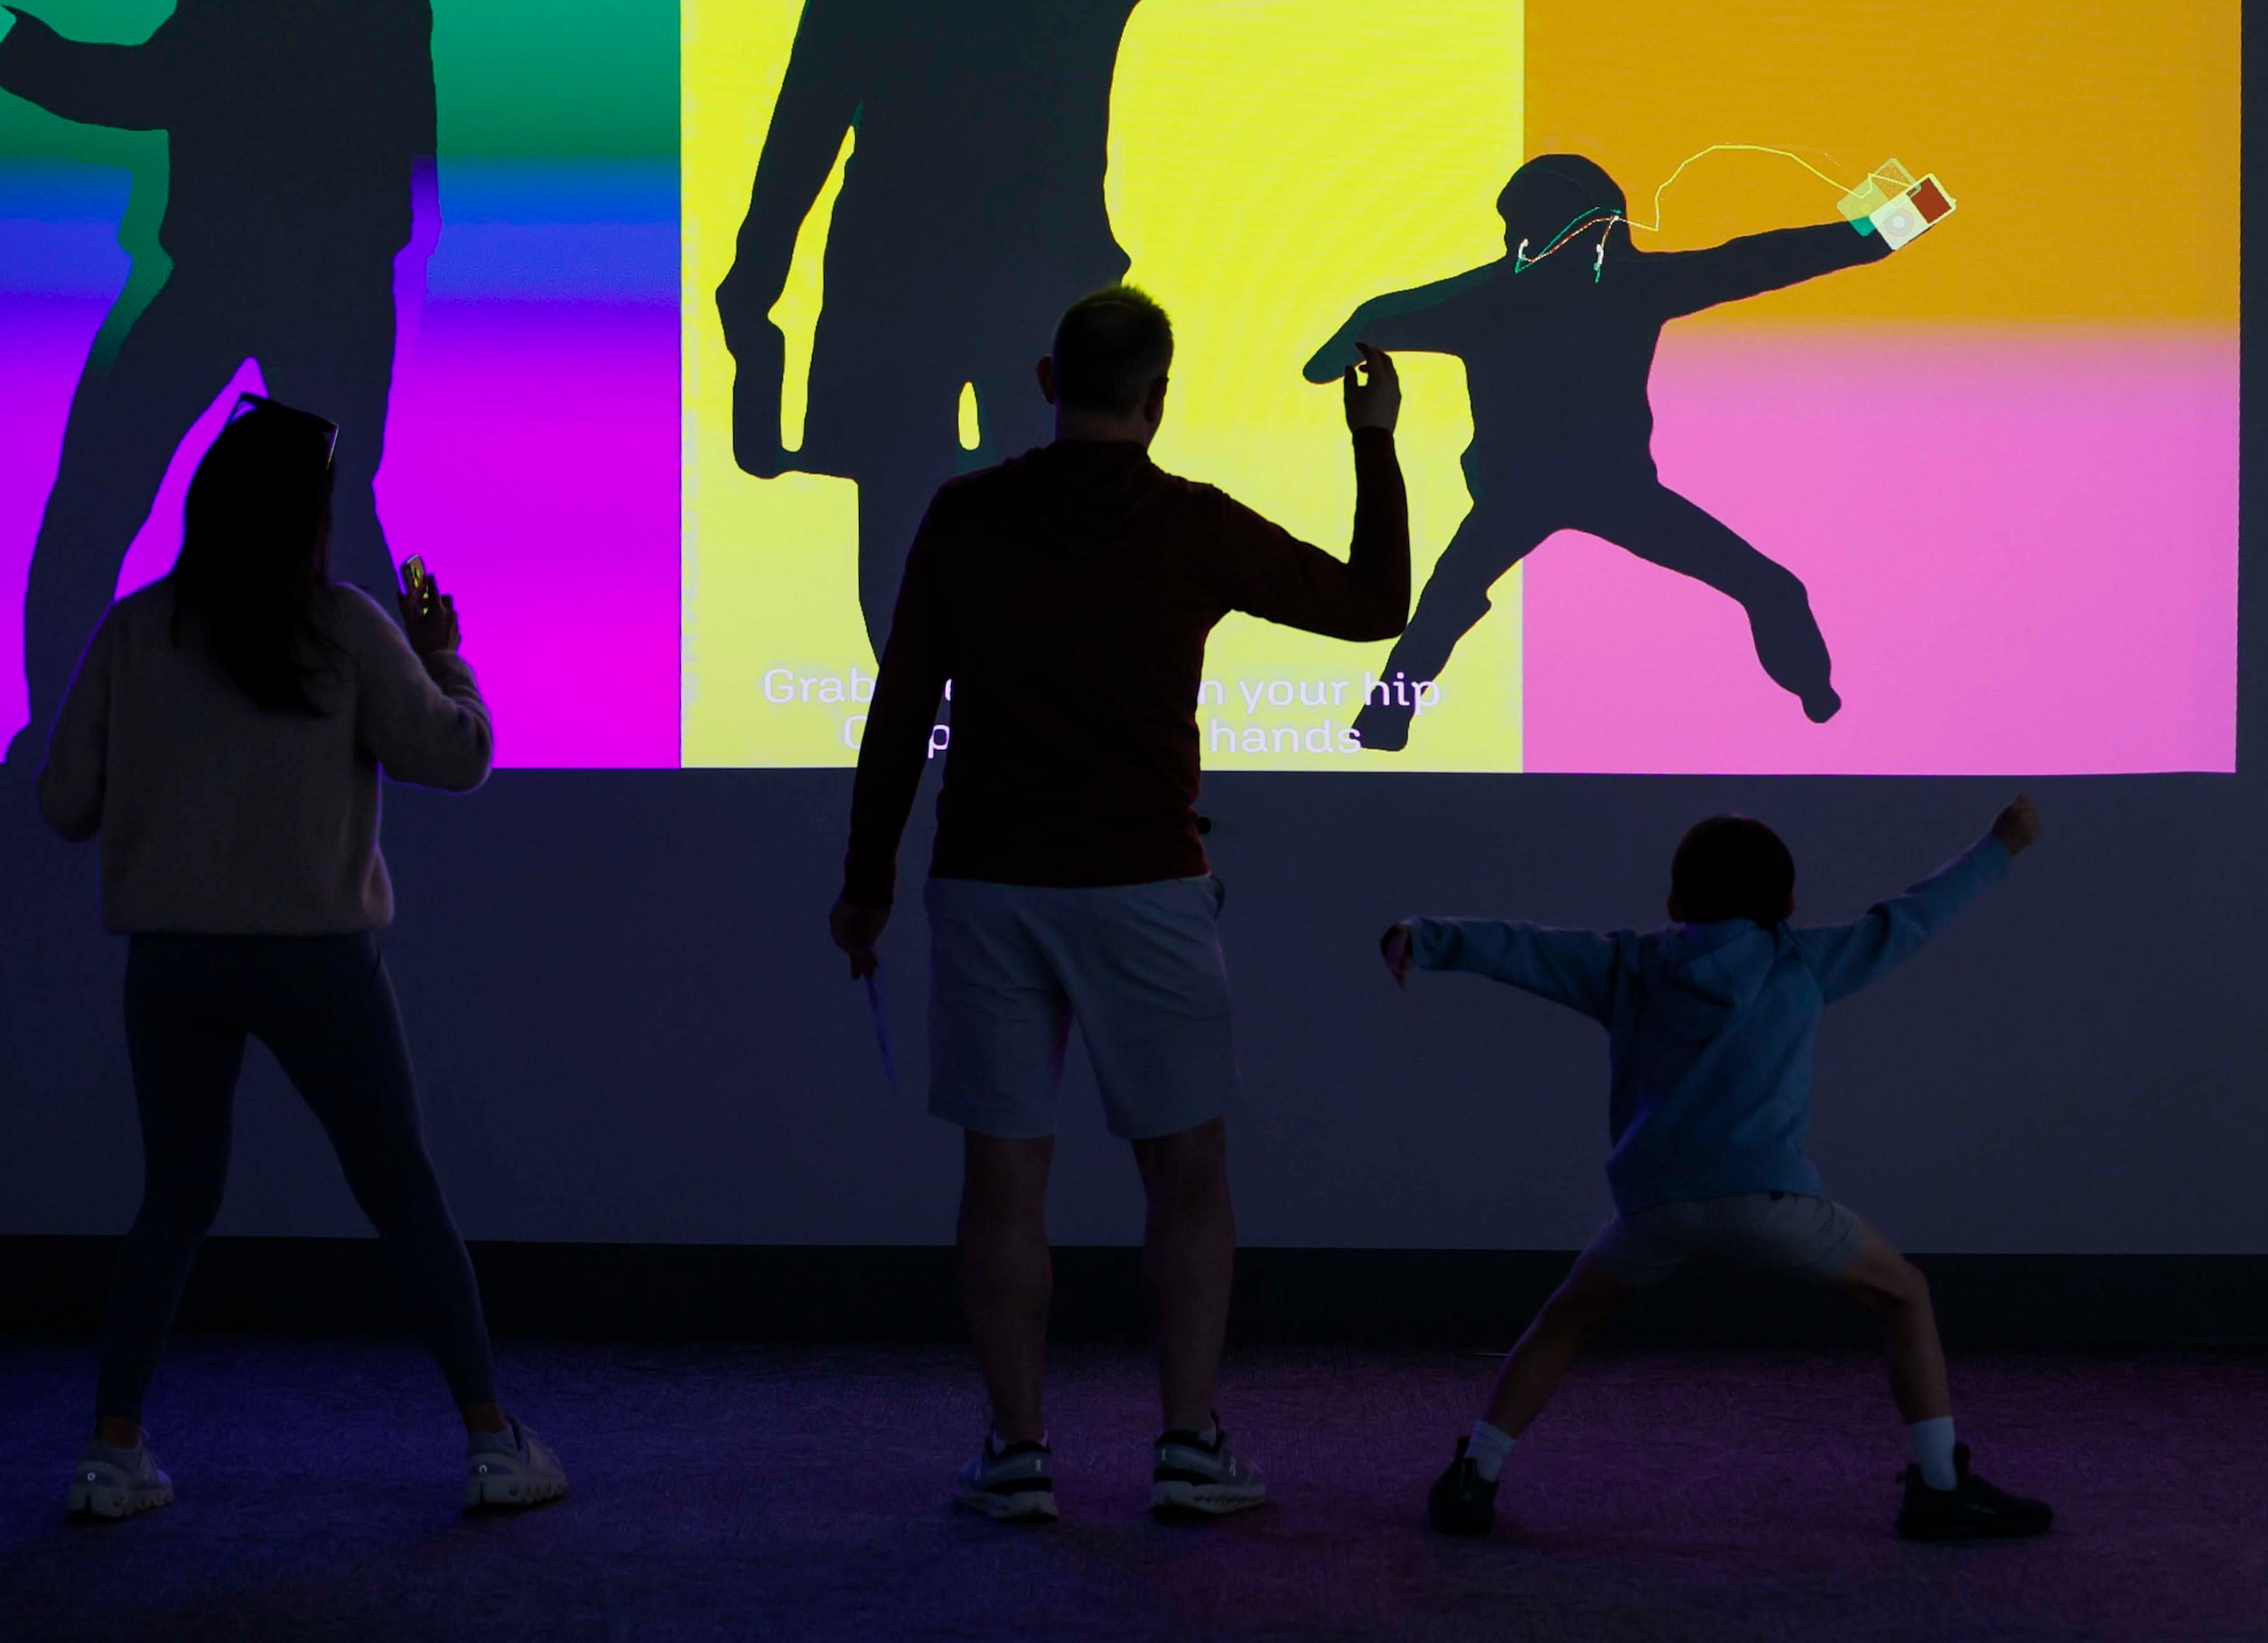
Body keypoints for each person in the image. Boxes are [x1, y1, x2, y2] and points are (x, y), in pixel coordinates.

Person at [832, 287, 1405, 1521]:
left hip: (986, 880)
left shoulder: (966, 515)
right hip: (1147, 881)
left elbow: (897, 714)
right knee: (1187, 1173)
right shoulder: (1188, 525)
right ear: (1160, 394)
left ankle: (1018, 1453)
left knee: (1004, 1179)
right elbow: (1374, 606)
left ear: (1046, 378)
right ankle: (1190, 1446)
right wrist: (1374, 442)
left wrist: (864, 882)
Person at [718, 0, 1322, 649]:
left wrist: (759, 268)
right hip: (984, 286)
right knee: (971, 553)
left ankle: (959, 764)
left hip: (947, 282)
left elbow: (813, 101)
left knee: (931, 557)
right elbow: (813, 97)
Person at [37, 395, 565, 1518]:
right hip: (319, 962)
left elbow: (63, 799)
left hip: (172, 963)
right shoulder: (348, 627)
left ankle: (110, 1448)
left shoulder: (137, 630)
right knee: (405, 1196)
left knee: (173, 1203)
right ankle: (490, 1439)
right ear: (310, 517)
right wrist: (447, 656)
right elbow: (458, 755)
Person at [1381, 798, 2054, 1543]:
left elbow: (1523, 949)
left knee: (1565, 1322)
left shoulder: (1628, 965)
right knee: (1905, 1297)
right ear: (1790, 904)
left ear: (1673, 901)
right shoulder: (1803, 960)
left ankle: (1477, 1474)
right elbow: (1912, 916)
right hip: (1772, 1202)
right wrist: (2000, 845)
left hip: (1655, 1208)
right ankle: (1939, 1485)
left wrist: (1424, 938)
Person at [0, 0, 438, 768]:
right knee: (298, 508)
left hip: (277, 283)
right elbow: (139, 81)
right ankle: (412, 731)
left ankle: (59, 740)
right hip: (286, 284)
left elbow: (127, 85)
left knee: (118, 493)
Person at [1303, 153, 1907, 751]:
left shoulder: (1501, 295)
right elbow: (1760, 260)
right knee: (1769, 587)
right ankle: (1381, 721)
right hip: (1593, 490)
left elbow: (1375, 317)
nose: (1514, 241)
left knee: (1448, 600)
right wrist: (1891, 225)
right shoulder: (1618, 286)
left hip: (1551, 492)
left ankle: (1381, 722)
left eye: (1520, 228)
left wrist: (1335, 359)